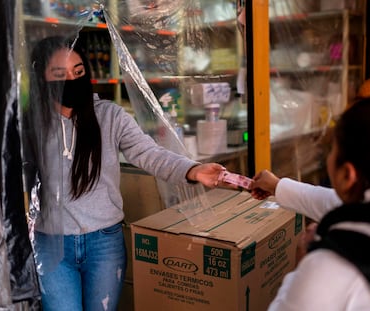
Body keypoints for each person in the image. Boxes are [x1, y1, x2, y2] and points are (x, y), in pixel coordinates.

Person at [24, 35, 227, 311]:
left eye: (78, 71)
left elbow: (150, 154)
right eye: (60, 74)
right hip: (50, 245)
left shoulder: (110, 116)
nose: (72, 79)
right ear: (41, 78)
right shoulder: (29, 124)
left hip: (104, 244)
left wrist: (192, 170)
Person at [250, 97, 370, 310]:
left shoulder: (332, 266)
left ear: (347, 174)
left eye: (331, 151)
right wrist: (278, 186)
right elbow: (335, 203)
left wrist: (302, 265)